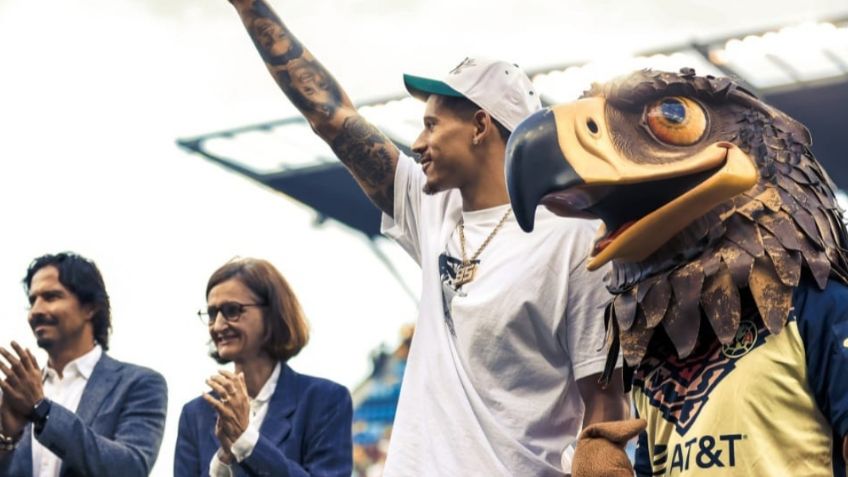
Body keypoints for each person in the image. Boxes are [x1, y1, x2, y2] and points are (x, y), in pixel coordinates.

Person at [224, 1, 628, 475]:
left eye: (432, 125)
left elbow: (604, 409)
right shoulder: (432, 206)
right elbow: (329, 116)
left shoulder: (574, 244)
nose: (416, 143)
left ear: (480, 126)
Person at [174, 257, 353, 477]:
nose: (219, 325)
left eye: (232, 310)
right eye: (212, 314)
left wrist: (247, 442)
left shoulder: (325, 400)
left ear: (272, 313)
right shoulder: (195, 414)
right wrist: (224, 460)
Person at [0, 252, 168, 477]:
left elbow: (130, 468)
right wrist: (7, 440)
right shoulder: (17, 395)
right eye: (33, 300)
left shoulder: (139, 384)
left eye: (51, 297)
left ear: (90, 308)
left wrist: (42, 411)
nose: (36, 311)